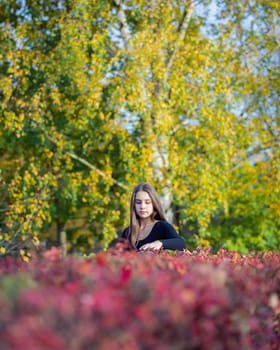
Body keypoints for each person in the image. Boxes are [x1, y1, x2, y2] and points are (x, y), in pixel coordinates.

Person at [121, 183, 186, 251]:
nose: (142, 206)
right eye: (138, 202)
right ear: (134, 205)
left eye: (147, 202)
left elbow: (181, 244)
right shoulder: (127, 232)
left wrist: (160, 243)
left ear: (154, 204)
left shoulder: (162, 227)